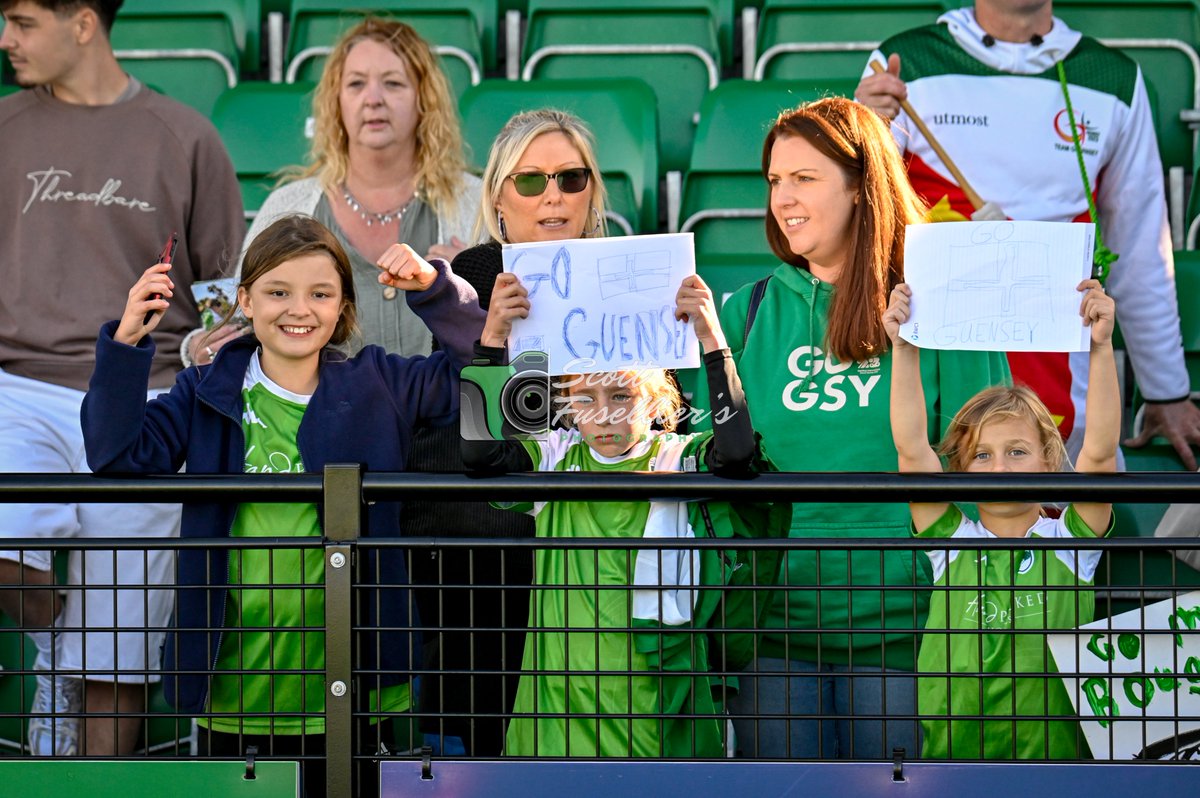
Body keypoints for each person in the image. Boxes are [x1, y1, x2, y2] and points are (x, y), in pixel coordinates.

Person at [80, 214, 485, 796]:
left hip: (355, 685)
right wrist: (126, 343)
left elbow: (482, 371)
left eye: (320, 293)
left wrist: (434, 290)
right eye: (278, 292)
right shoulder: (204, 390)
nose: (299, 309)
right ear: (245, 300)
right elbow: (115, 454)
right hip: (233, 688)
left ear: (343, 306)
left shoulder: (381, 383)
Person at [700, 97, 1009, 759]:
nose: (783, 198)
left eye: (804, 178)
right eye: (774, 180)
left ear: (861, 187)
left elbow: (987, 464)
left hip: (911, 631)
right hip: (774, 636)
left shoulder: (945, 310)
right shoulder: (745, 311)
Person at [0, 0, 243, 755]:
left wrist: (208, 358)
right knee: (7, 554)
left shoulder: (185, 135)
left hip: (149, 400)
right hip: (18, 385)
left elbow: (222, 289)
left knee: (119, 648)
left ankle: (98, 784)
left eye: (21, 21)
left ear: (82, 23)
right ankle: (54, 658)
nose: (6, 40)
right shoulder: (3, 128)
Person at [854, 0, 1200, 469]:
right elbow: (858, 217)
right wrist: (863, 129)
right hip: (940, 363)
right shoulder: (904, 62)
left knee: (1059, 506)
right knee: (944, 502)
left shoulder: (1112, 77)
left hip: (1064, 374)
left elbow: (1141, 252)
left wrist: (1166, 392)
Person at [463, 267, 761, 758]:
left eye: (622, 395)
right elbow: (480, 456)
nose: (605, 412)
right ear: (568, 403)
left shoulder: (675, 454)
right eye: (586, 397)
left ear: (656, 401)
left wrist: (712, 341)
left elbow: (736, 453)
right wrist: (492, 339)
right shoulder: (555, 454)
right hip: (558, 705)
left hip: (650, 702)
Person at [407, 108, 611, 756]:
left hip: (597, 558)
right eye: (530, 180)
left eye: (571, 178)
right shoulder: (473, 274)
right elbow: (478, 437)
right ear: (498, 197)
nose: (553, 196)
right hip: (487, 565)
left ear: (592, 192)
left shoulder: (627, 272)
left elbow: (660, 423)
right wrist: (494, 335)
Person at [884, 277, 1118, 759]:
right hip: (954, 767)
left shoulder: (1070, 545)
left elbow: (1099, 453)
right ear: (959, 469)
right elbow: (911, 449)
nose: (1000, 468)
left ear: (1048, 460)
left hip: (1053, 767)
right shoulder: (950, 543)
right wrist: (904, 350)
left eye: (1017, 451)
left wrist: (1100, 348)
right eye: (982, 455)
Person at [185, 16, 482, 366]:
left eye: (393, 83)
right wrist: (198, 348)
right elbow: (235, 322)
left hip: (446, 401)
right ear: (336, 102)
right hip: (317, 403)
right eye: (356, 84)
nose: (373, 99)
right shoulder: (289, 205)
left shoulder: (474, 202)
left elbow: (511, 330)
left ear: (424, 99)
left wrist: (471, 280)